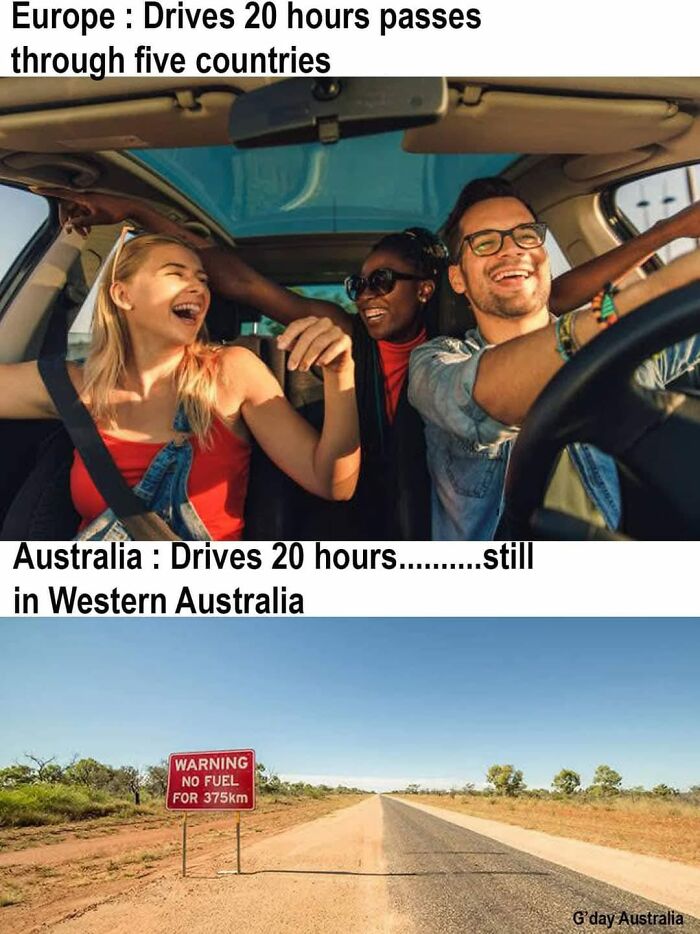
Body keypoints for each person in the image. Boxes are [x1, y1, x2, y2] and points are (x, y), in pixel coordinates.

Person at [36, 185, 700, 538]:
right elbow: (242, 283)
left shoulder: (481, 324)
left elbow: (560, 302)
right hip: (367, 491)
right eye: (359, 284)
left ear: (429, 287)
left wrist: (668, 238)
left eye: (384, 281)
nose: (366, 295)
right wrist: (137, 217)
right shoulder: (353, 335)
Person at [0, 232, 360, 540]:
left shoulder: (231, 372)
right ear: (123, 296)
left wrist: (341, 375)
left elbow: (332, 484)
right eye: (176, 274)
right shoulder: (74, 384)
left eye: (203, 280)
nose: (199, 288)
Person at [408, 177, 700, 539]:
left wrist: (667, 235)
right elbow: (481, 398)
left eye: (526, 235)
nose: (511, 250)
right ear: (457, 279)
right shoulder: (434, 362)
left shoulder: (619, 344)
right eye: (484, 242)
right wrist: (660, 287)